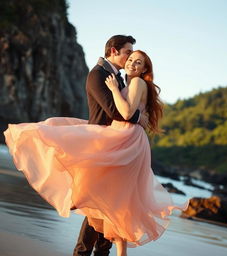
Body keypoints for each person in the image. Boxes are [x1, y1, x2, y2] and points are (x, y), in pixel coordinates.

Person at [4, 48, 189, 256]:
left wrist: (114, 91)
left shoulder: (135, 83)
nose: (132, 64)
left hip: (126, 140)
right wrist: (134, 110)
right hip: (120, 135)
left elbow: (126, 112)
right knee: (114, 198)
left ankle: (81, 205)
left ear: (145, 68)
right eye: (130, 59)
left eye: (138, 62)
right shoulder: (126, 82)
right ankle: (101, 236)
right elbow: (130, 113)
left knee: (111, 196)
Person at [73, 35, 148, 256]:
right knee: (97, 206)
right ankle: (81, 253)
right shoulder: (98, 75)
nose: (129, 59)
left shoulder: (121, 78)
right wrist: (137, 118)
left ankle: (101, 253)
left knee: (110, 206)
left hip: (116, 146)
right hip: (100, 146)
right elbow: (114, 111)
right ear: (114, 51)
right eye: (127, 52)